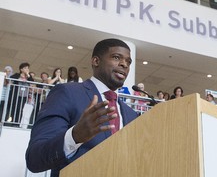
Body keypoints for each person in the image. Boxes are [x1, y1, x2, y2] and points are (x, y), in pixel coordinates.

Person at [26, 38, 138, 177]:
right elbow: (35, 158)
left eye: (128, 62)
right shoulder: (66, 93)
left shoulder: (132, 115)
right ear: (96, 61)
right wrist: (74, 136)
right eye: (116, 57)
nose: (124, 64)